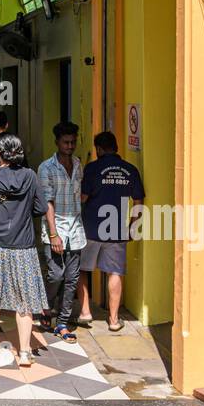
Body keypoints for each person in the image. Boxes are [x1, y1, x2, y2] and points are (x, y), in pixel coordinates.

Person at [0, 133, 48, 366]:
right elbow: (39, 207)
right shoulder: (30, 176)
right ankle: (25, 351)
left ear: (0, 154)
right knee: (24, 296)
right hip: (24, 243)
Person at [78, 131, 144, 332]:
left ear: (98, 149)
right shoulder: (130, 170)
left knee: (82, 270)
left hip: (90, 228)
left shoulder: (92, 168)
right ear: (115, 147)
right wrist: (133, 227)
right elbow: (139, 200)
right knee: (115, 272)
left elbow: (82, 198)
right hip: (116, 230)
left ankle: (85, 312)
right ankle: (114, 320)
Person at [37, 120, 86, 343]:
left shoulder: (78, 164)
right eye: (66, 142)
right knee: (55, 274)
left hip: (76, 230)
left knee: (71, 277)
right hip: (55, 229)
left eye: (73, 142)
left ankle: (63, 322)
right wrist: (54, 234)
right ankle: (46, 307)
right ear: (57, 142)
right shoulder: (46, 168)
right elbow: (47, 202)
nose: (70, 146)